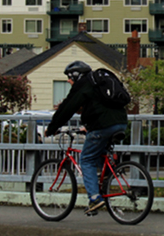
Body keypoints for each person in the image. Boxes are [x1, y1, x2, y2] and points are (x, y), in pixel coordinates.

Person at [44, 60, 127, 215]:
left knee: (86, 159)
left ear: (76, 75)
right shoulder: (99, 82)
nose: (68, 80)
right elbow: (100, 107)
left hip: (103, 126)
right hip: (120, 123)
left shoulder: (84, 84)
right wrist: (87, 127)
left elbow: (67, 108)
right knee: (100, 153)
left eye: (69, 77)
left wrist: (52, 128)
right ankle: (107, 179)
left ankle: (95, 198)